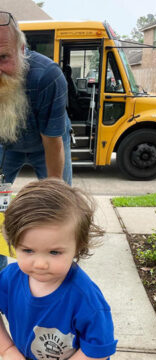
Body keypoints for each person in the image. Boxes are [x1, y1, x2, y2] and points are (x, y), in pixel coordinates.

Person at [0, 178, 117, 360]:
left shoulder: (85, 298)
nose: (40, 264)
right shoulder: (8, 279)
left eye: (54, 252)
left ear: (79, 246)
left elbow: (97, 351)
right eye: (28, 250)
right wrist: (7, 349)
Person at [0, 11, 72, 270]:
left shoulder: (47, 77)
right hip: (6, 144)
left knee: (61, 209)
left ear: (21, 49)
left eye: (3, 58)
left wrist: (53, 193)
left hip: (48, 144)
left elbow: (53, 143)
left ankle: (60, 272)